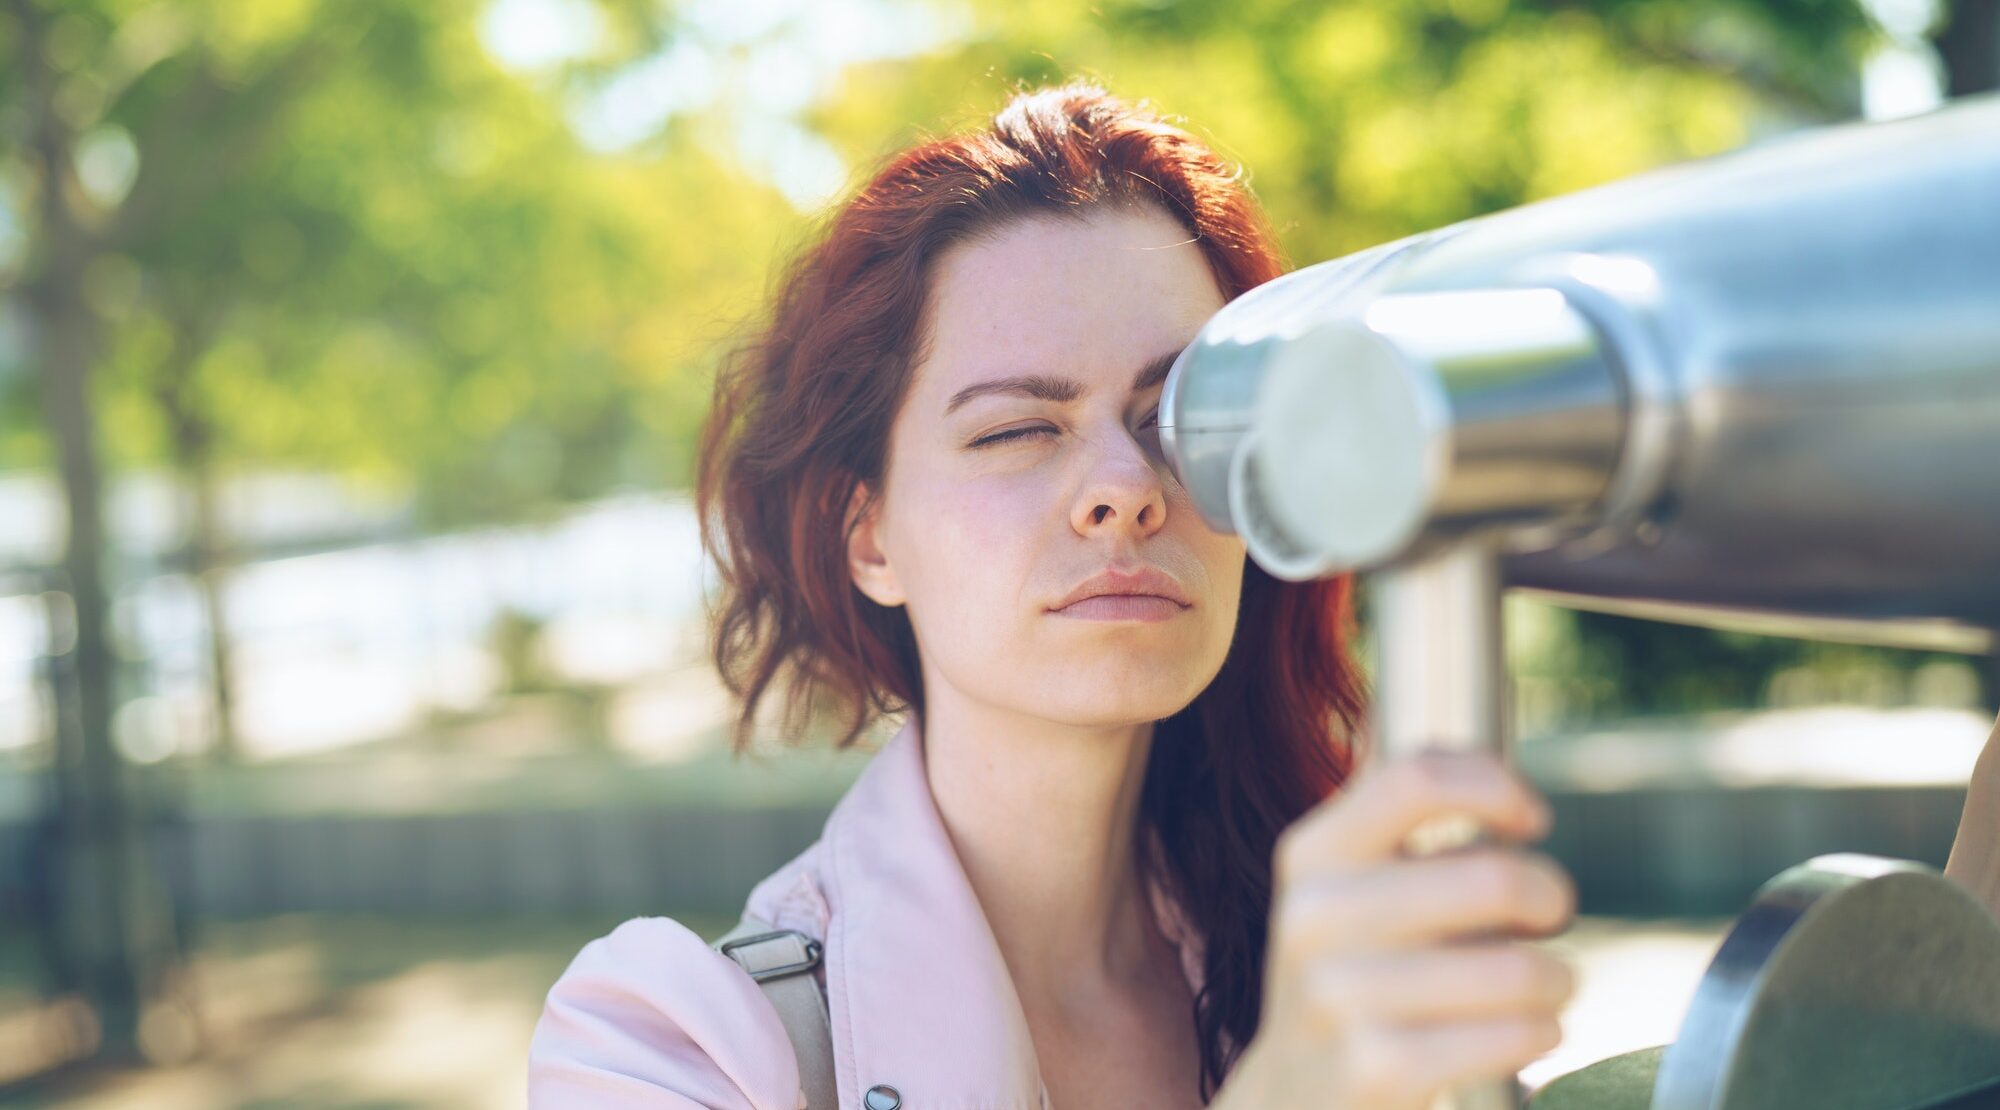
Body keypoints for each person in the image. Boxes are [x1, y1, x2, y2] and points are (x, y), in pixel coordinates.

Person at [527, 80, 1578, 1109]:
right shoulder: (672, 1050)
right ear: (870, 537)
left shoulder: (1353, 966)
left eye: (1173, 423)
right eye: (1016, 430)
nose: (1123, 490)